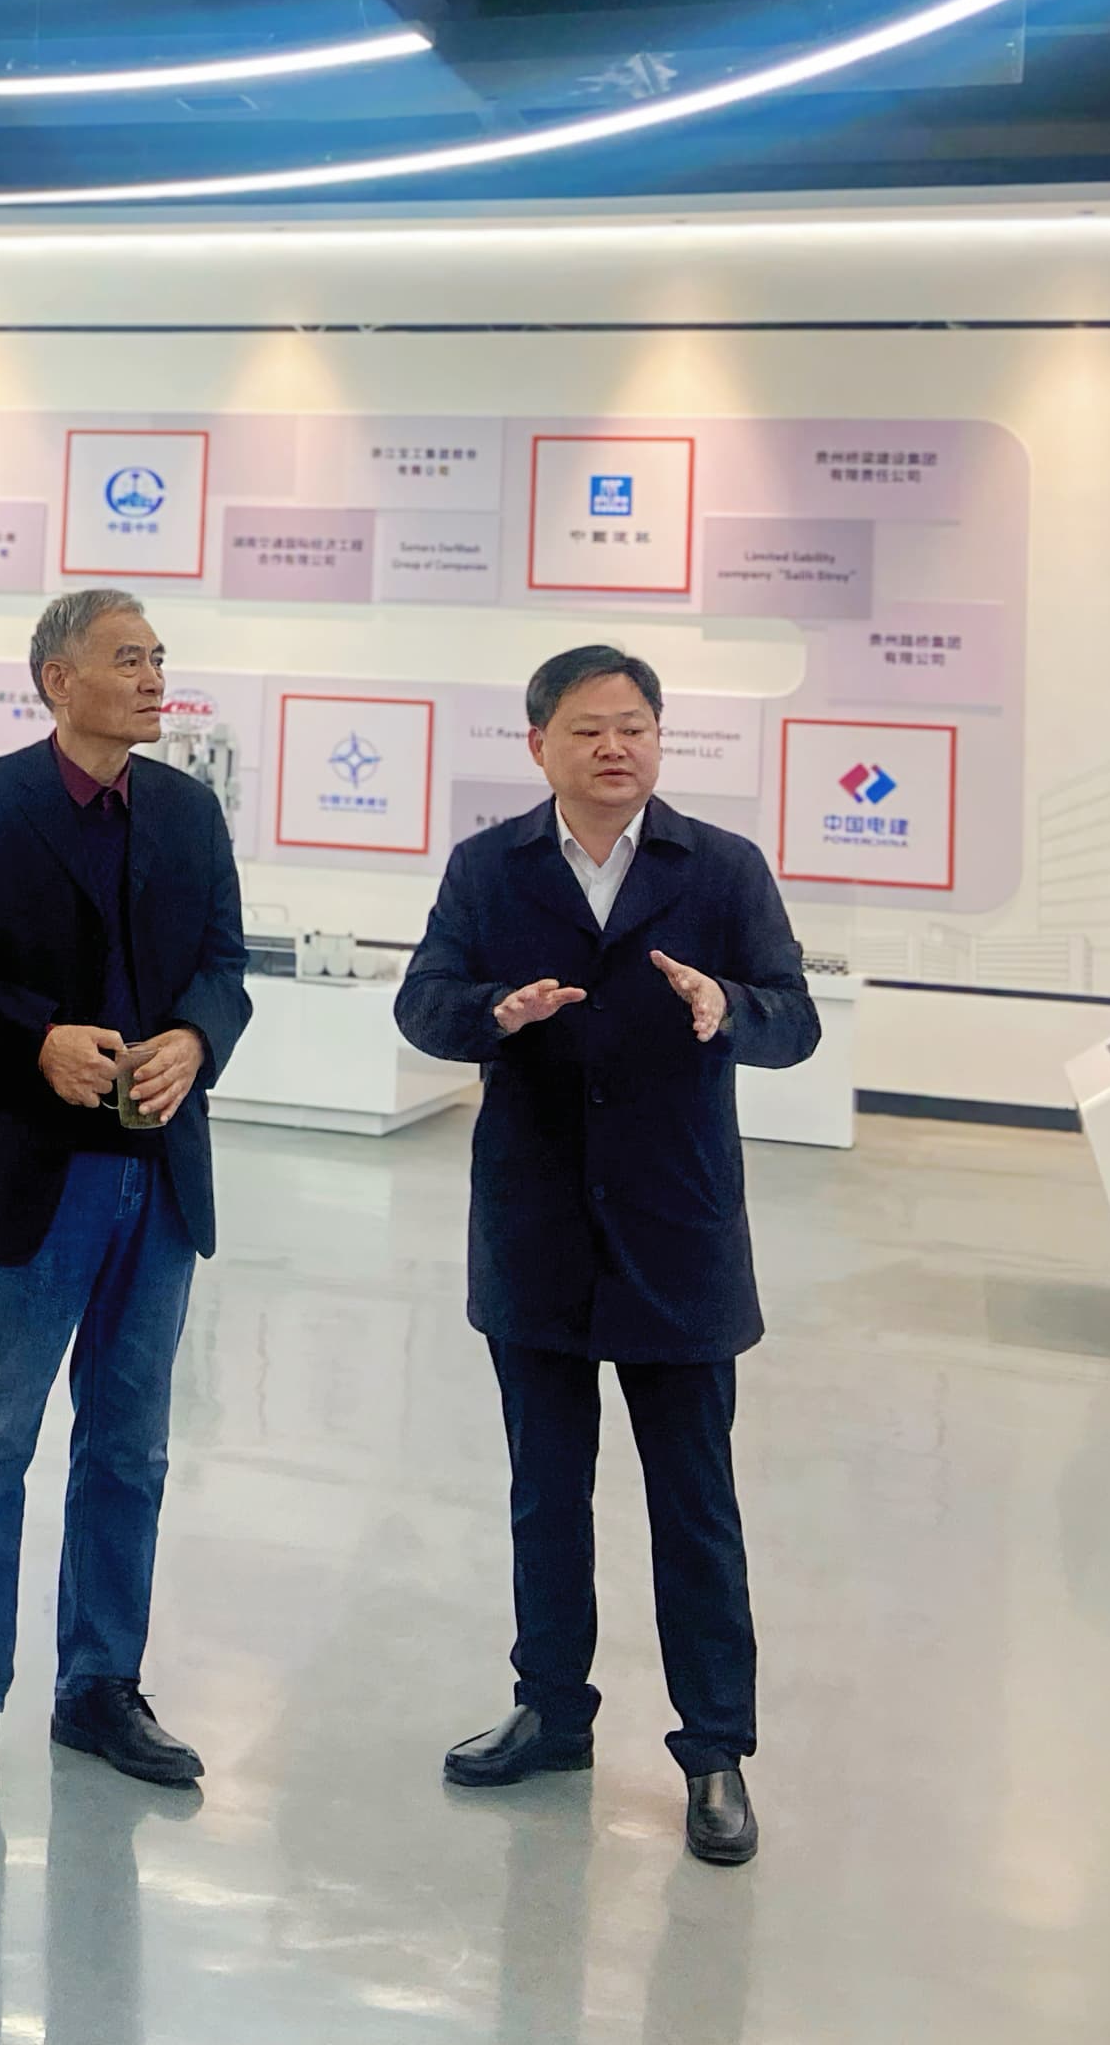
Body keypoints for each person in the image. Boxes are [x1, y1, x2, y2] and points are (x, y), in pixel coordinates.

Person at [393, 642, 819, 1869]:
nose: (614, 747)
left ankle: (714, 1749)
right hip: (535, 1232)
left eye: (634, 725)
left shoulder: (719, 869)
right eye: (587, 728)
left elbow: (792, 1018)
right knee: (545, 1494)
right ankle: (551, 1711)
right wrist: (493, 1013)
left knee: (694, 1507)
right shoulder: (489, 869)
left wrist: (728, 1009)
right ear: (539, 746)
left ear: (660, 738)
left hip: (674, 1234)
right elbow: (423, 1002)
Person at [0, 588, 248, 1801]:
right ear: (56, 679)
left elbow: (224, 965)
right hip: (30, 1176)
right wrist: (34, 1038)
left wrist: (194, 1039)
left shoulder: (188, 813)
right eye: (126, 659)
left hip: (159, 1176)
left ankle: (100, 1685)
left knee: (128, 1447)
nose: (152, 679)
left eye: (158, 658)